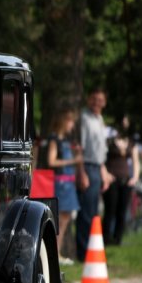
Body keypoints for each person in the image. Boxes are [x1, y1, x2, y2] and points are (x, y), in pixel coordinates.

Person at [75, 88, 114, 262]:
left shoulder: (100, 119)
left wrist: (103, 171)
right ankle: (83, 254)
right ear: (89, 99)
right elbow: (80, 148)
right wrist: (81, 172)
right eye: (94, 99)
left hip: (97, 168)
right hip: (87, 167)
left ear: (104, 102)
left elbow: (101, 149)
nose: (97, 102)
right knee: (85, 213)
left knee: (94, 212)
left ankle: (92, 250)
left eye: (101, 100)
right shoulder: (84, 118)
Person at [46, 110, 83, 265]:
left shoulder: (66, 140)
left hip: (68, 183)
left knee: (65, 220)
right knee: (59, 219)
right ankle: (54, 253)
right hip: (60, 183)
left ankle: (57, 252)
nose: (72, 125)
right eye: (70, 121)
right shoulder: (55, 140)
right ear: (63, 121)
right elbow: (51, 162)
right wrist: (73, 161)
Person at [102, 120, 139, 245]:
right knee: (110, 209)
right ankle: (105, 237)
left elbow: (136, 162)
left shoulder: (131, 143)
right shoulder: (110, 141)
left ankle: (117, 238)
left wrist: (134, 178)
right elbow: (102, 158)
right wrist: (106, 174)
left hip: (126, 180)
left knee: (122, 211)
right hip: (112, 179)